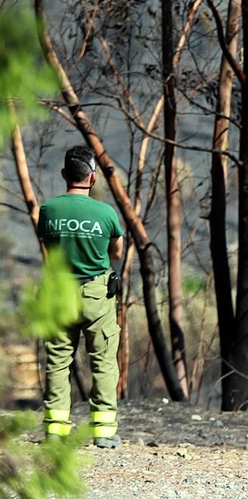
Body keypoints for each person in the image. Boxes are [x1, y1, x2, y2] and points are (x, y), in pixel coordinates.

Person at [37, 145, 124, 448]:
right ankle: (103, 431)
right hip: (96, 294)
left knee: (58, 361)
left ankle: (56, 430)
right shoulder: (105, 213)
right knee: (102, 361)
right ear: (93, 178)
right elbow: (116, 252)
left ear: (64, 175)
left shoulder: (48, 210)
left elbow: (47, 252)